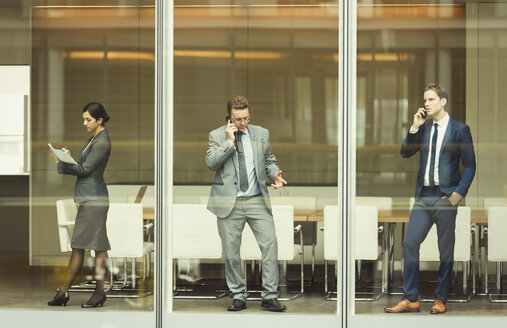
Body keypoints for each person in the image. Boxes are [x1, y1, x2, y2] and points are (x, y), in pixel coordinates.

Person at [385, 83, 476, 314]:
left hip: (445, 197)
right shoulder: (424, 128)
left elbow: (470, 166)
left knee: (445, 250)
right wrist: (414, 127)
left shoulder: (459, 129)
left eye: (431, 99)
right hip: (424, 197)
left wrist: (458, 194)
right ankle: (411, 298)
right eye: (425, 100)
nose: (427, 103)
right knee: (409, 243)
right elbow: (405, 152)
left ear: (443, 102)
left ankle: (441, 299)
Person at [206, 95, 288, 312]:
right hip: (229, 203)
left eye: (246, 118)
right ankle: (238, 295)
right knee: (232, 252)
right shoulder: (216, 135)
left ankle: (269, 296)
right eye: (238, 119)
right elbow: (211, 163)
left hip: (256, 200)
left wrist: (274, 176)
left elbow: (269, 160)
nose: (243, 123)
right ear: (229, 118)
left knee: (270, 244)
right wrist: (229, 142)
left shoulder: (261, 134)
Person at [48, 102, 112, 308]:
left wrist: (62, 163)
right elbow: (85, 167)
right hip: (90, 199)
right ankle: (91, 292)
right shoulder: (94, 139)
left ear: (99, 120)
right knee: (95, 247)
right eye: (83, 119)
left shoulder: (101, 141)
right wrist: (66, 158)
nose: (84, 122)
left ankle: (66, 291)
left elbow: (85, 170)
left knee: (82, 247)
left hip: (94, 200)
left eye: (88, 119)